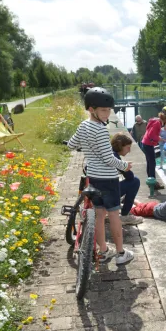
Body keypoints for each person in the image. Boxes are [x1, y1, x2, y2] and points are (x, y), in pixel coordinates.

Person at [67, 88, 135, 266]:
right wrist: (125, 166)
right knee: (113, 216)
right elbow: (108, 158)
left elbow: (71, 145)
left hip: (93, 177)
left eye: (109, 110)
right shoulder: (101, 130)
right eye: (104, 110)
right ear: (91, 109)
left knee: (99, 215)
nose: (107, 114)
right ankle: (120, 253)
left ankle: (103, 251)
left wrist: (87, 147)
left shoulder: (83, 126)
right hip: (109, 180)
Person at [141, 106, 166, 189]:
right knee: (152, 164)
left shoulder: (156, 121)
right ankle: (153, 184)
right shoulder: (157, 123)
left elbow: (149, 131)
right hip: (148, 144)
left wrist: (159, 138)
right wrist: (160, 139)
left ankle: (151, 181)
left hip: (146, 143)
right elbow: (151, 135)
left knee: (150, 163)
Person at [110, 133, 144, 225]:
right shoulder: (115, 158)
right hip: (107, 193)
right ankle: (125, 216)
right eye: (128, 147)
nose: (129, 151)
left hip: (99, 190)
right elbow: (130, 176)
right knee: (135, 181)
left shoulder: (109, 153)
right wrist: (124, 165)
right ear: (120, 146)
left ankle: (122, 202)